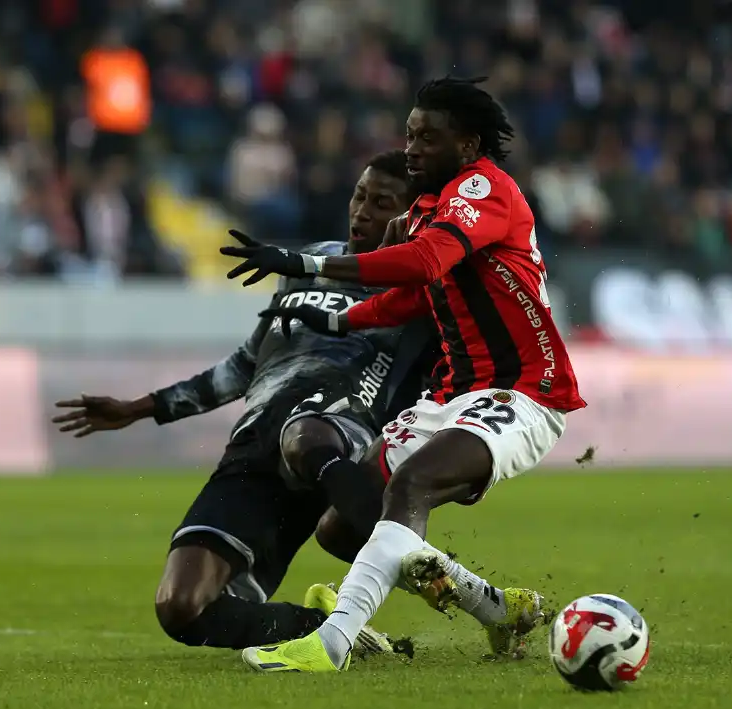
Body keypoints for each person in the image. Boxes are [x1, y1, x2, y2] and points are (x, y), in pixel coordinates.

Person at [52, 150, 544, 657]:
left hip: (343, 441)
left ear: (411, 214)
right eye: (359, 196)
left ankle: (400, 567)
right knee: (181, 608)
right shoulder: (309, 264)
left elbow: (465, 370)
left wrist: (459, 448)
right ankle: (331, 628)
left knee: (305, 432)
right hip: (256, 450)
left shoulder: (427, 292)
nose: (363, 212)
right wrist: (143, 407)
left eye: (382, 203)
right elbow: (246, 365)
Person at [220, 77, 586, 673]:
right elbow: (417, 294)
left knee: (409, 486)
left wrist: (304, 263)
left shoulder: (484, 187)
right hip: (453, 394)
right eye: (409, 134)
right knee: (342, 525)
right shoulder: (425, 208)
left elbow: (423, 261)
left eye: (427, 138)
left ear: (467, 146)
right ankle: (502, 611)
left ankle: (330, 644)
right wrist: (339, 321)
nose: (412, 148)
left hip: (523, 390)